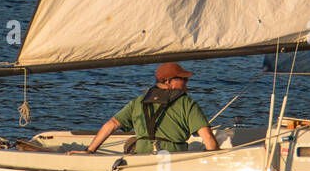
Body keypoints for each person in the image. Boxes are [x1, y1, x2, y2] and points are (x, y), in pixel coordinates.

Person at [80, 62, 218, 156]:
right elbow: (207, 138)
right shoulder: (186, 103)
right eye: (183, 79)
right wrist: (215, 157)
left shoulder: (139, 101)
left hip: (142, 157)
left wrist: (90, 151)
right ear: (168, 82)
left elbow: (112, 124)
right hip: (174, 159)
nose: (186, 82)